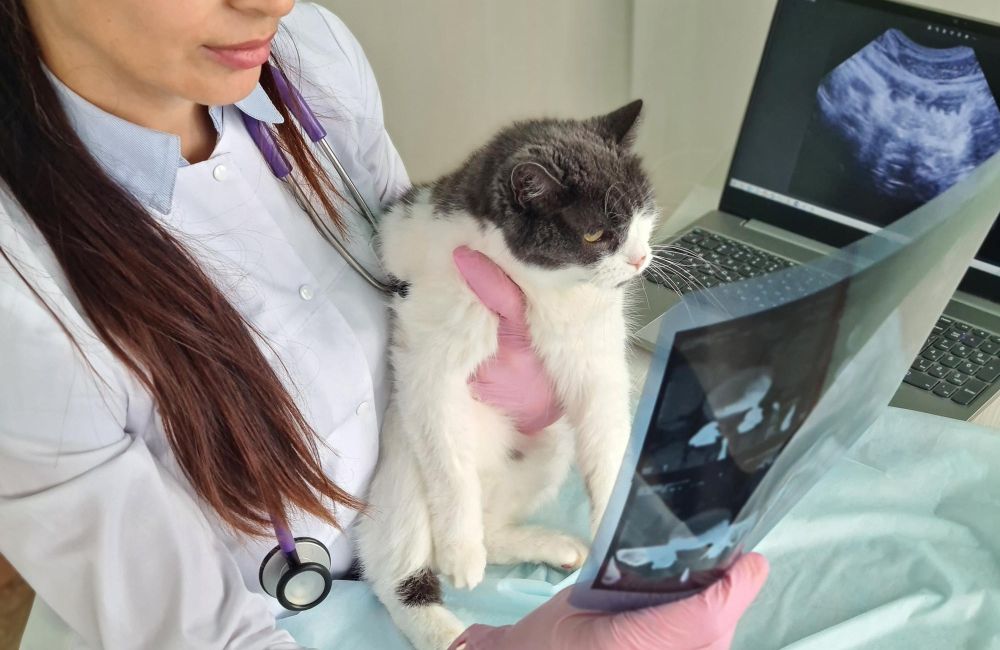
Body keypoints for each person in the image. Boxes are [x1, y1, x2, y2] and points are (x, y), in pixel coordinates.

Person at [0, 0, 768, 648]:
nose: (273, 2)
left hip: (441, 528)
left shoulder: (311, 56)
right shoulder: (17, 283)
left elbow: (418, 282)